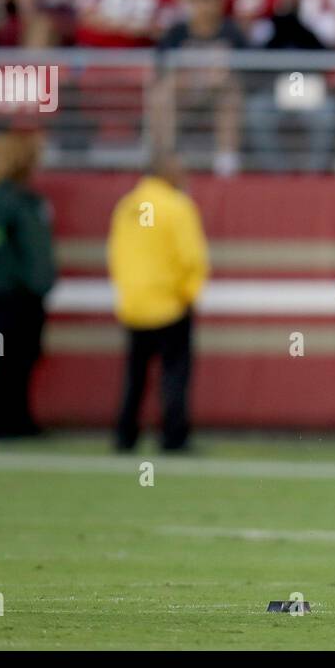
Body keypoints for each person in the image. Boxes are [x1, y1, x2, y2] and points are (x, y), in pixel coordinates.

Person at [107, 152, 209, 452]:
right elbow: (191, 258)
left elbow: (116, 253)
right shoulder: (177, 206)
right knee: (174, 375)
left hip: (133, 303)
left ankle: (125, 436)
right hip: (170, 304)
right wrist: (188, 295)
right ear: (168, 173)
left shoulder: (126, 206)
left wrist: (128, 291)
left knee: (135, 376)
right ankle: (173, 437)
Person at [0, 132, 56, 439]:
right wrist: (15, 278)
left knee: (26, 355)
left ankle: (20, 417)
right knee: (3, 355)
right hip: (7, 295)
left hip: (31, 294)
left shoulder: (31, 200)